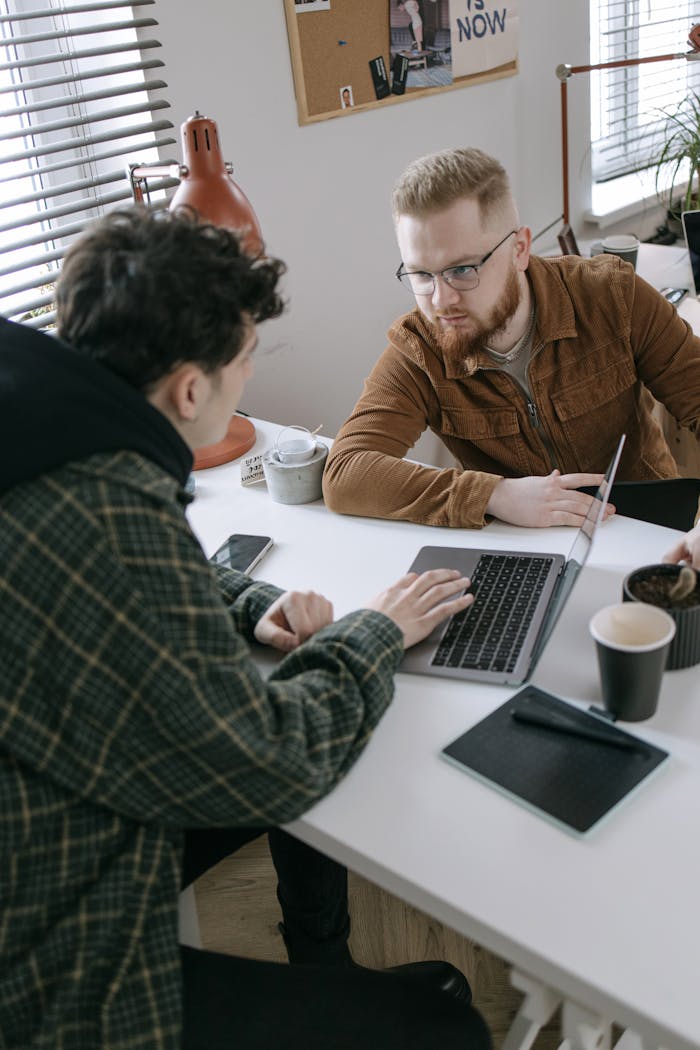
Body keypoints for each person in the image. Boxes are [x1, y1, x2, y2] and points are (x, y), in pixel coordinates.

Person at [0, 207, 492, 1050]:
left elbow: (117, 579)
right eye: (245, 363)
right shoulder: (109, 517)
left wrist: (246, 604)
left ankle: (321, 969)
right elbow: (274, 760)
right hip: (45, 957)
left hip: (48, 793)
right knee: (443, 1029)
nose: (247, 383)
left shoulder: (42, 432)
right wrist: (373, 628)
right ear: (192, 390)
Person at [323, 146, 700, 545]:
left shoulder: (612, 295)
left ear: (519, 249)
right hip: (519, 543)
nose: (440, 300)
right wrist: (493, 495)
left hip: (644, 529)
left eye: (462, 269)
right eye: (421, 274)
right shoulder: (419, 348)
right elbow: (346, 472)